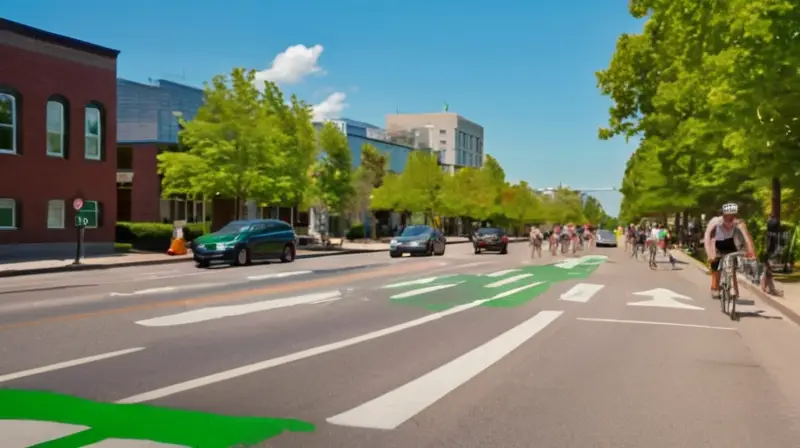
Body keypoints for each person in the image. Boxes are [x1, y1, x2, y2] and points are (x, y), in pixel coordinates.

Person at [704, 203, 756, 298]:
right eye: (727, 216)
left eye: (733, 216)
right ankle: (715, 287)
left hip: (730, 243)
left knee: (732, 265)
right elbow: (707, 236)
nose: (730, 219)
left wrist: (751, 252)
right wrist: (710, 254)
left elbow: (746, 237)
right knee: (716, 263)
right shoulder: (716, 221)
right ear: (723, 215)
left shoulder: (738, 223)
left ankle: (734, 288)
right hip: (716, 244)